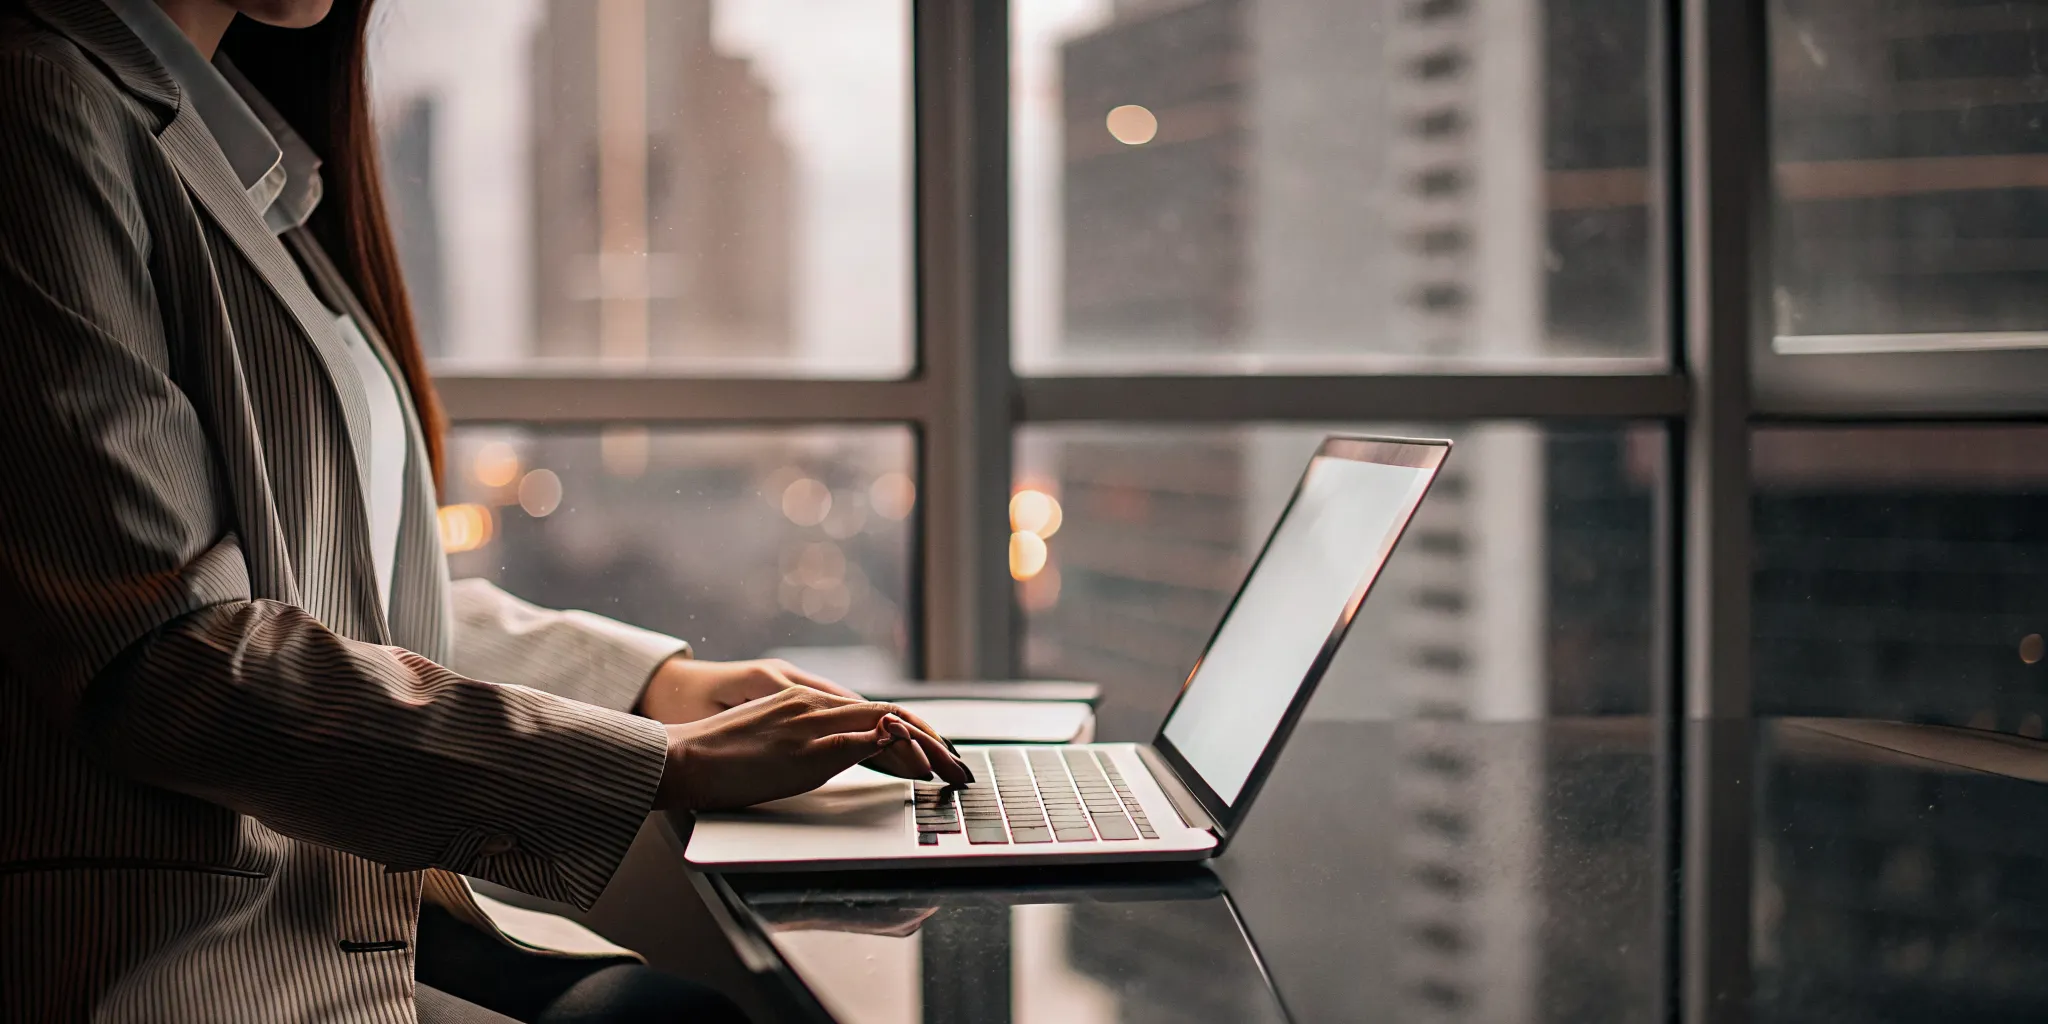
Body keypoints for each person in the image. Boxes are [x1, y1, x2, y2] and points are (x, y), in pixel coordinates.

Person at [0, 0, 972, 1020]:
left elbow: (341, 596)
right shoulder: (44, 106)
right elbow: (160, 660)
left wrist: (658, 685)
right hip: (176, 964)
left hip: (327, 916)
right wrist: (660, 766)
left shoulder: (239, 153)